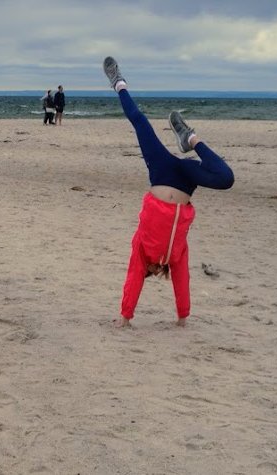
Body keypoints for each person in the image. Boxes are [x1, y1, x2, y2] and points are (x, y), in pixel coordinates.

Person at [103, 57, 234, 328]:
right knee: (225, 179)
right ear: (158, 271)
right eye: (152, 272)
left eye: (147, 272)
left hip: (161, 171)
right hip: (185, 181)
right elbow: (182, 280)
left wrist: (124, 318)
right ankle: (192, 139)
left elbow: (133, 277)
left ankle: (118, 82)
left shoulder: (141, 248)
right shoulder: (176, 255)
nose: (148, 271)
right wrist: (183, 318)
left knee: (139, 122)